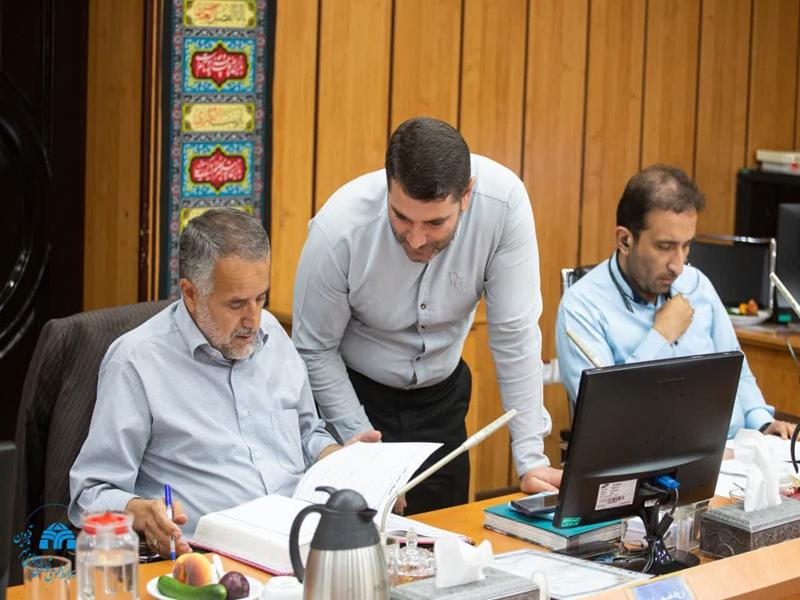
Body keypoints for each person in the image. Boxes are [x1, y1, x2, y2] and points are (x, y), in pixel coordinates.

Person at [69, 208, 378, 557]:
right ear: (190, 293)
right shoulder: (136, 362)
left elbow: (308, 433)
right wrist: (140, 512)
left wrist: (336, 458)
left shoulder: (273, 336)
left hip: (303, 539)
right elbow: (89, 494)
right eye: (236, 304)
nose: (254, 320)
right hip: (207, 558)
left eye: (261, 298)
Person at [292, 117, 560, 514]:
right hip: (354, 395)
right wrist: (366, 454)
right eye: (401, 217)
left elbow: (515, 334)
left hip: (441, 400)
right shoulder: (339, 230)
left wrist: (531, 457)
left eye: (435, 223)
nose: (416, 239)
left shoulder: (503, 207)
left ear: (466, 195)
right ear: (388, 186)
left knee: (444, 535)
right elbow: (314, 349)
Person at [556, 164, 794, 439]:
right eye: (665, 247)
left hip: (736, 448)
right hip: (653, 456)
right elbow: (608, 415)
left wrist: (762, 422)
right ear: (625, 241)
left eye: (686, 245)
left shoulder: (697, 284)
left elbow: (737, 369)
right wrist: (660, 336)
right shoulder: (581, 307)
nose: (678, 266)